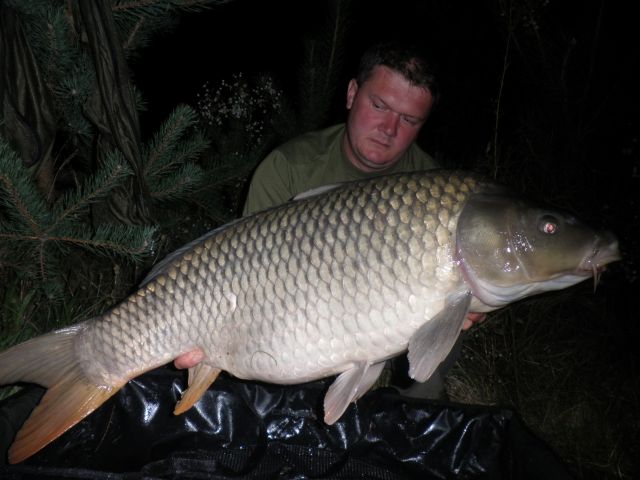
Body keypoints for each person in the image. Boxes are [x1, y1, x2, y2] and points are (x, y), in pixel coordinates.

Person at [202, 40, 484, 399]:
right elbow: (237, 280)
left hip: (389, 323)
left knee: (446, 333)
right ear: (352, 93)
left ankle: (410, 417)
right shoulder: (287, 169)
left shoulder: (433, 188)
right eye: (379, 105)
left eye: (409, 120)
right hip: (288, 315)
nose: (389, 128)